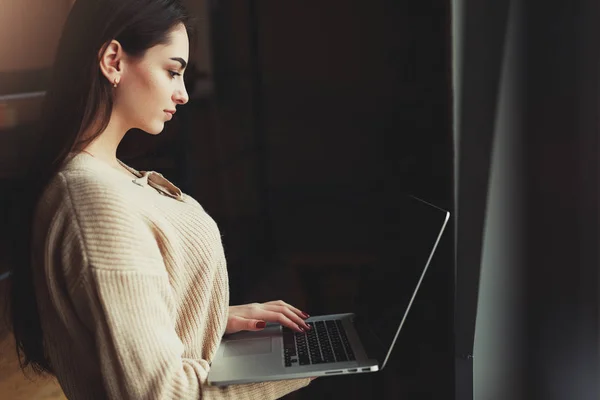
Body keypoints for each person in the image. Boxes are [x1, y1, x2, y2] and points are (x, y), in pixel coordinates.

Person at [4, 0, 314, 398]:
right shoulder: (94, 202)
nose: (182, 94)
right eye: (172, 71)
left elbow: (117, 328)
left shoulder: (105, 178)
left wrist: (211, 320)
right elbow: (160, 393)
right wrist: (303, 362)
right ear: (113, 60)